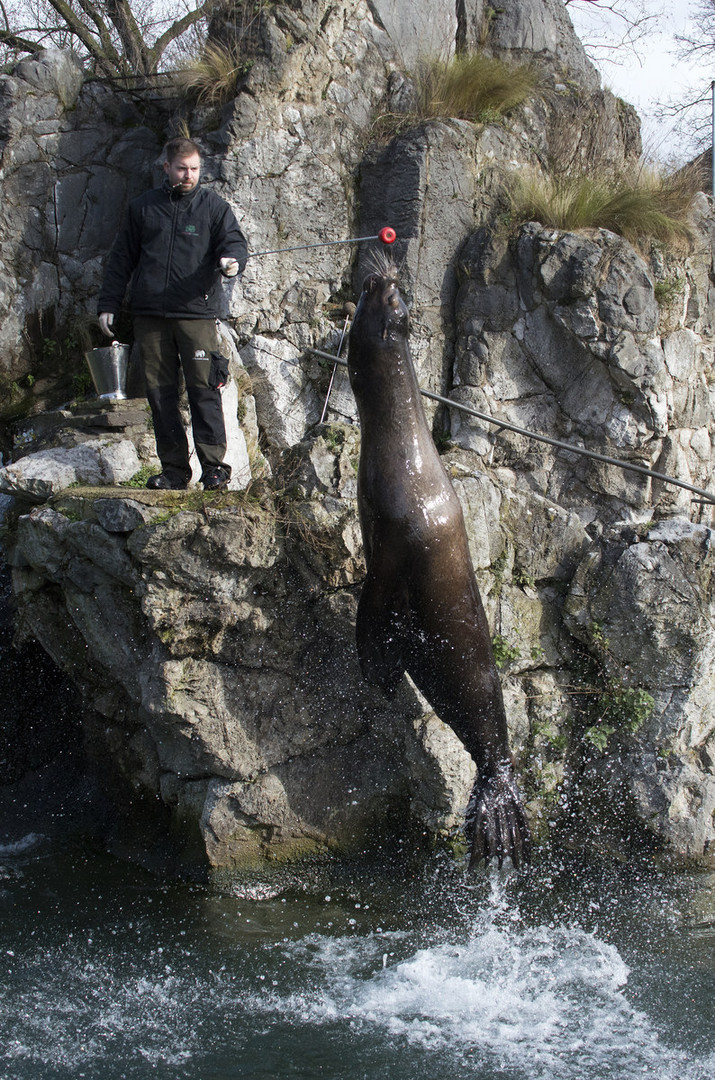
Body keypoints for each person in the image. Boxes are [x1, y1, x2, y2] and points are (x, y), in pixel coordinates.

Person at [97, 137, 248, 490]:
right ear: (166, 167)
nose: (189, 175)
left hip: (196, 314)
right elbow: (121, 259)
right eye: (182, 168)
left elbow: (234, 243)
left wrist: (231, 262)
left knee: (205, 389)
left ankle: (214, 468)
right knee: (160, 395)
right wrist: (108, 304)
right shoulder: (143, 208)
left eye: (195, 169)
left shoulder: (213, 208)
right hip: (149, 317)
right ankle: (174, 471)